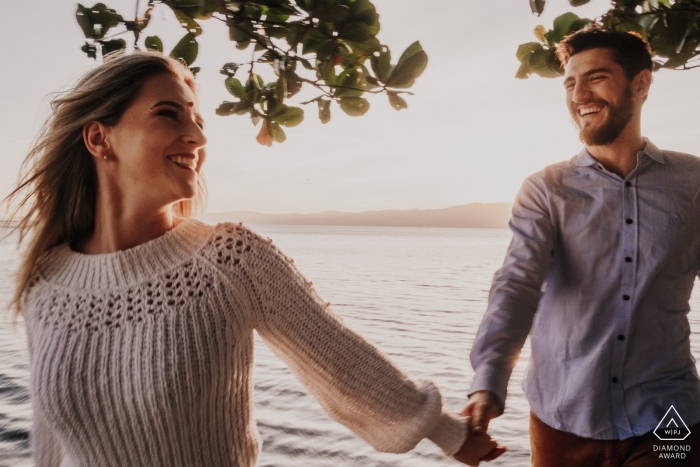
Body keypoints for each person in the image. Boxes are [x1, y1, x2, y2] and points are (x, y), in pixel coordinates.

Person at [4, 52, 505, 467]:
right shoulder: (47, 282)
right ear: (98, 138)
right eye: (169, 114)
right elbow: (51, 443)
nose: (197, 138)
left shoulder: (229, 257)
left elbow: (339, 361)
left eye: (198, 121)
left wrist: (448, 433)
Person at [461, 26, 700, 466]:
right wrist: (488, 379)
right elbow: (517, 283)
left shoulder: (694, 183)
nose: (579, 94)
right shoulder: (545, 190)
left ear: (641, 83)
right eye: (570, 83)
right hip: (563, 419)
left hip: (669, 413)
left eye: (596, 77)